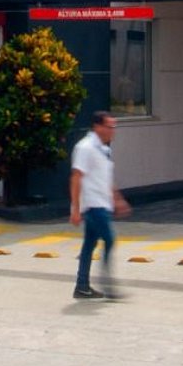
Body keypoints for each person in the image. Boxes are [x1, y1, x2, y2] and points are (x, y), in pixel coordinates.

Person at [69, 110, 129, 300]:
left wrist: (117, 199)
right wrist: (75, 209)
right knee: (109, 239)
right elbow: (76, 177)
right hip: (92, 205)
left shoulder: (103, 149)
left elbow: (105, 179)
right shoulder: (85, 147)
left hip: (102, 203)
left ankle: (82, 286)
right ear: (97, 126)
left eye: (114, 127)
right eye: (109, 126)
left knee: (89, 244)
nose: (113, 130)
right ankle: (107, 285)